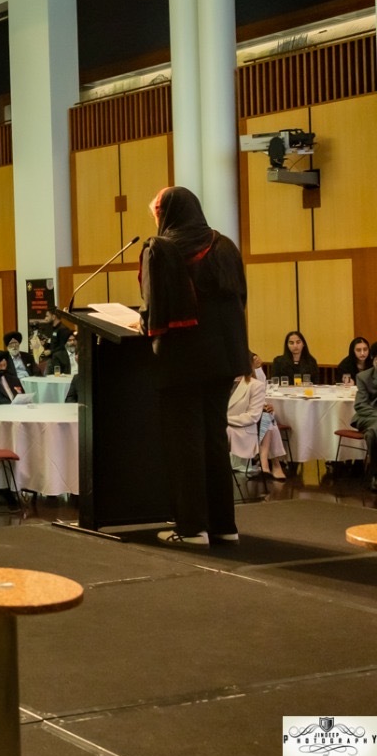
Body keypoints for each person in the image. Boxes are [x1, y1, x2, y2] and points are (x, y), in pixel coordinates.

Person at [140, 186, 249, 546]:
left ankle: (192, 529)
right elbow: (241, 299)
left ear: (166, 213)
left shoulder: (161, 249)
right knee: (215, 440)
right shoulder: (226, 245)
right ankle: (224, 526)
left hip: (182, 360)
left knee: (185, 443)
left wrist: (142, 323)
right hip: (224, 359)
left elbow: (154, 308)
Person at [227, 355, 287, 481]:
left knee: (266, 415)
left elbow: (252, 414)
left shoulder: (254, 383)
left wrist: (223, 419)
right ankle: (271, 464)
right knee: (267, 417)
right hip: (237, 422)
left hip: (242, 425)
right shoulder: (222, 383)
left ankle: (267, 465)